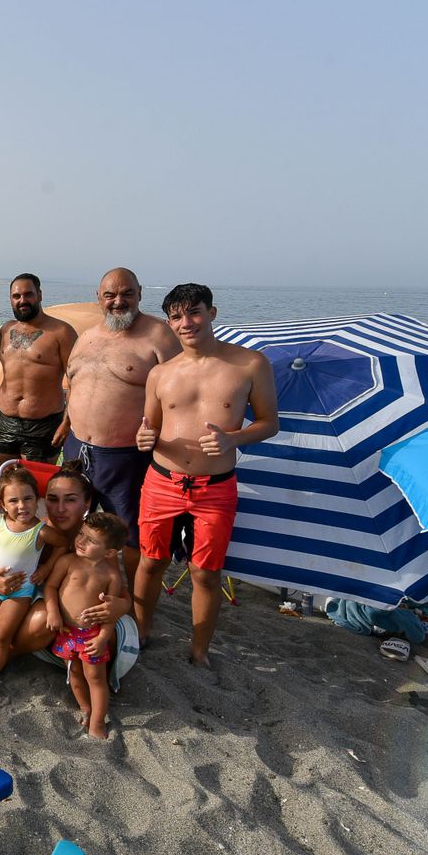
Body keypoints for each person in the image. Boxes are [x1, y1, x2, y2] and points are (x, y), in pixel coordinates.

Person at [135, 283, 278, 665]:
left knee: (206, 573)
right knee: (150, 562)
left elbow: (269, 423)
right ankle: (141, 632)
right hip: (161, 481)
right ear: (169, 324)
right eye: (177, 317)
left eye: (194, 312)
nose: (187, 323)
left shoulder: (250, 364)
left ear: (212, 313)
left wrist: (233, 438)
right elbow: (150, 427)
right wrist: (144, 437)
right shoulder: (160, 374)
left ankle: (200, 651)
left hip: (215, 487)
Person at [60, 267, 180, 619]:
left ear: (140, 293)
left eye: (126, 293)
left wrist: (160, 432)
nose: (118, 301)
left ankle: (130, 607)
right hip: (75, 448)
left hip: (125, 456)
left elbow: (179, 395)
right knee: (69, 524)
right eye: (110, 295)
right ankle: (71, 589)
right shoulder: (87, 337)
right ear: (99, 297)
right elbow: (75, 385)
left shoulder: (159, 336)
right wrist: (67, 422)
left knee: (127, 534)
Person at [0, 462, 94, 676]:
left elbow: (112, 584)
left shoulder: (91, 544)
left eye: (71, 500)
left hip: (42, 610)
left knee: (8, 634)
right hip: (4, 594)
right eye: (53, 499)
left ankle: (6, 657)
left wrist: (117, 605)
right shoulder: (10, 524)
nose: (61, 508)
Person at [0, 467, 59, 700]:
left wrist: (47, 567)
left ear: (37, 500)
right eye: (14, 500)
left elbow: (63, 544)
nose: (22, 506)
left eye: (28, 498)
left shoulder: (40, 531)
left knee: (1, 637)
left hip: (20, 593)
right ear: (3, 503)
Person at [47, 512, 132, 739]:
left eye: (91, 540)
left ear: (110, 552)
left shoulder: (112, 575)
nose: (81, 541)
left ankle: (97, 722)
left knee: (96, 678)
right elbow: (51, 587)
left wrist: (103, 637)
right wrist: (53, 612)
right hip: (66, 631)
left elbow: (109, 614)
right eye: (81, 534)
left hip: (92, 634)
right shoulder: (67, 562)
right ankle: (85, 706)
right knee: (74, 672)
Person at [0, 274, 77, 469]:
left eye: (28, 294)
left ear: (40, 295)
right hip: (5, 422)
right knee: (4, 486)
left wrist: (67, 422)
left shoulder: (61, 332)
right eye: (16, 296)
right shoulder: (6, 329)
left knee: (37, 488)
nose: (22, 300)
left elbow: (76, 381)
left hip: (43, 426)